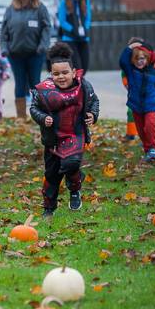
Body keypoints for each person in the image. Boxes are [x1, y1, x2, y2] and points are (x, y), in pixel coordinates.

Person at [30, 43, 99, 218]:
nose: (61, 77)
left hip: (75, 134)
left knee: (71, 164)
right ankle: (49, 208)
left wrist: (92, 114)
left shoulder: (83, 86)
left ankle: (74, 189)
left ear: (74, 72)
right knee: (52, 175)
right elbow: (34, 108)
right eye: (56, 74)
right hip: (53, 138)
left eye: (65, 72)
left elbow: (94, 102)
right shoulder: (44, 91)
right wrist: (42, 118)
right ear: (51, 74)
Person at [0, 0, 52, 120]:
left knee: (35, 83)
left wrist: (43, 46)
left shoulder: (39, 8)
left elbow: (47, 27)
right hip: (15, 54)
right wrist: (4, 48)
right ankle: (21, 117)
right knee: (20, 83)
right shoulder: (10, 9)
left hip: (35, 53)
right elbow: (3, 32)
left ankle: (38, 115)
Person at [118, 39, 155, 162]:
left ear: (147, 58)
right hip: (136, 105)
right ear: (133, 60)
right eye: (137, 59)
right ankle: (148, 149)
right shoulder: (131, 71)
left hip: (151, 103)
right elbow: (123, 61)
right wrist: (131, 46)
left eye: (143, 58)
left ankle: (153, 149)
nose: (140, 61)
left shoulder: (153, 71)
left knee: (150, 125)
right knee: (141, 130)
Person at [57, 0, 92, 73]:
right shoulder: (64, 2)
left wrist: (86, 27)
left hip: (83, 38)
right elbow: (62, 21)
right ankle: (76, 87)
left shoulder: (86, 0)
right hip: (69, 39)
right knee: (77, 67)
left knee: (84, 67)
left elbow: (88, 17)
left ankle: (79, 85)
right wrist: (73, 29)